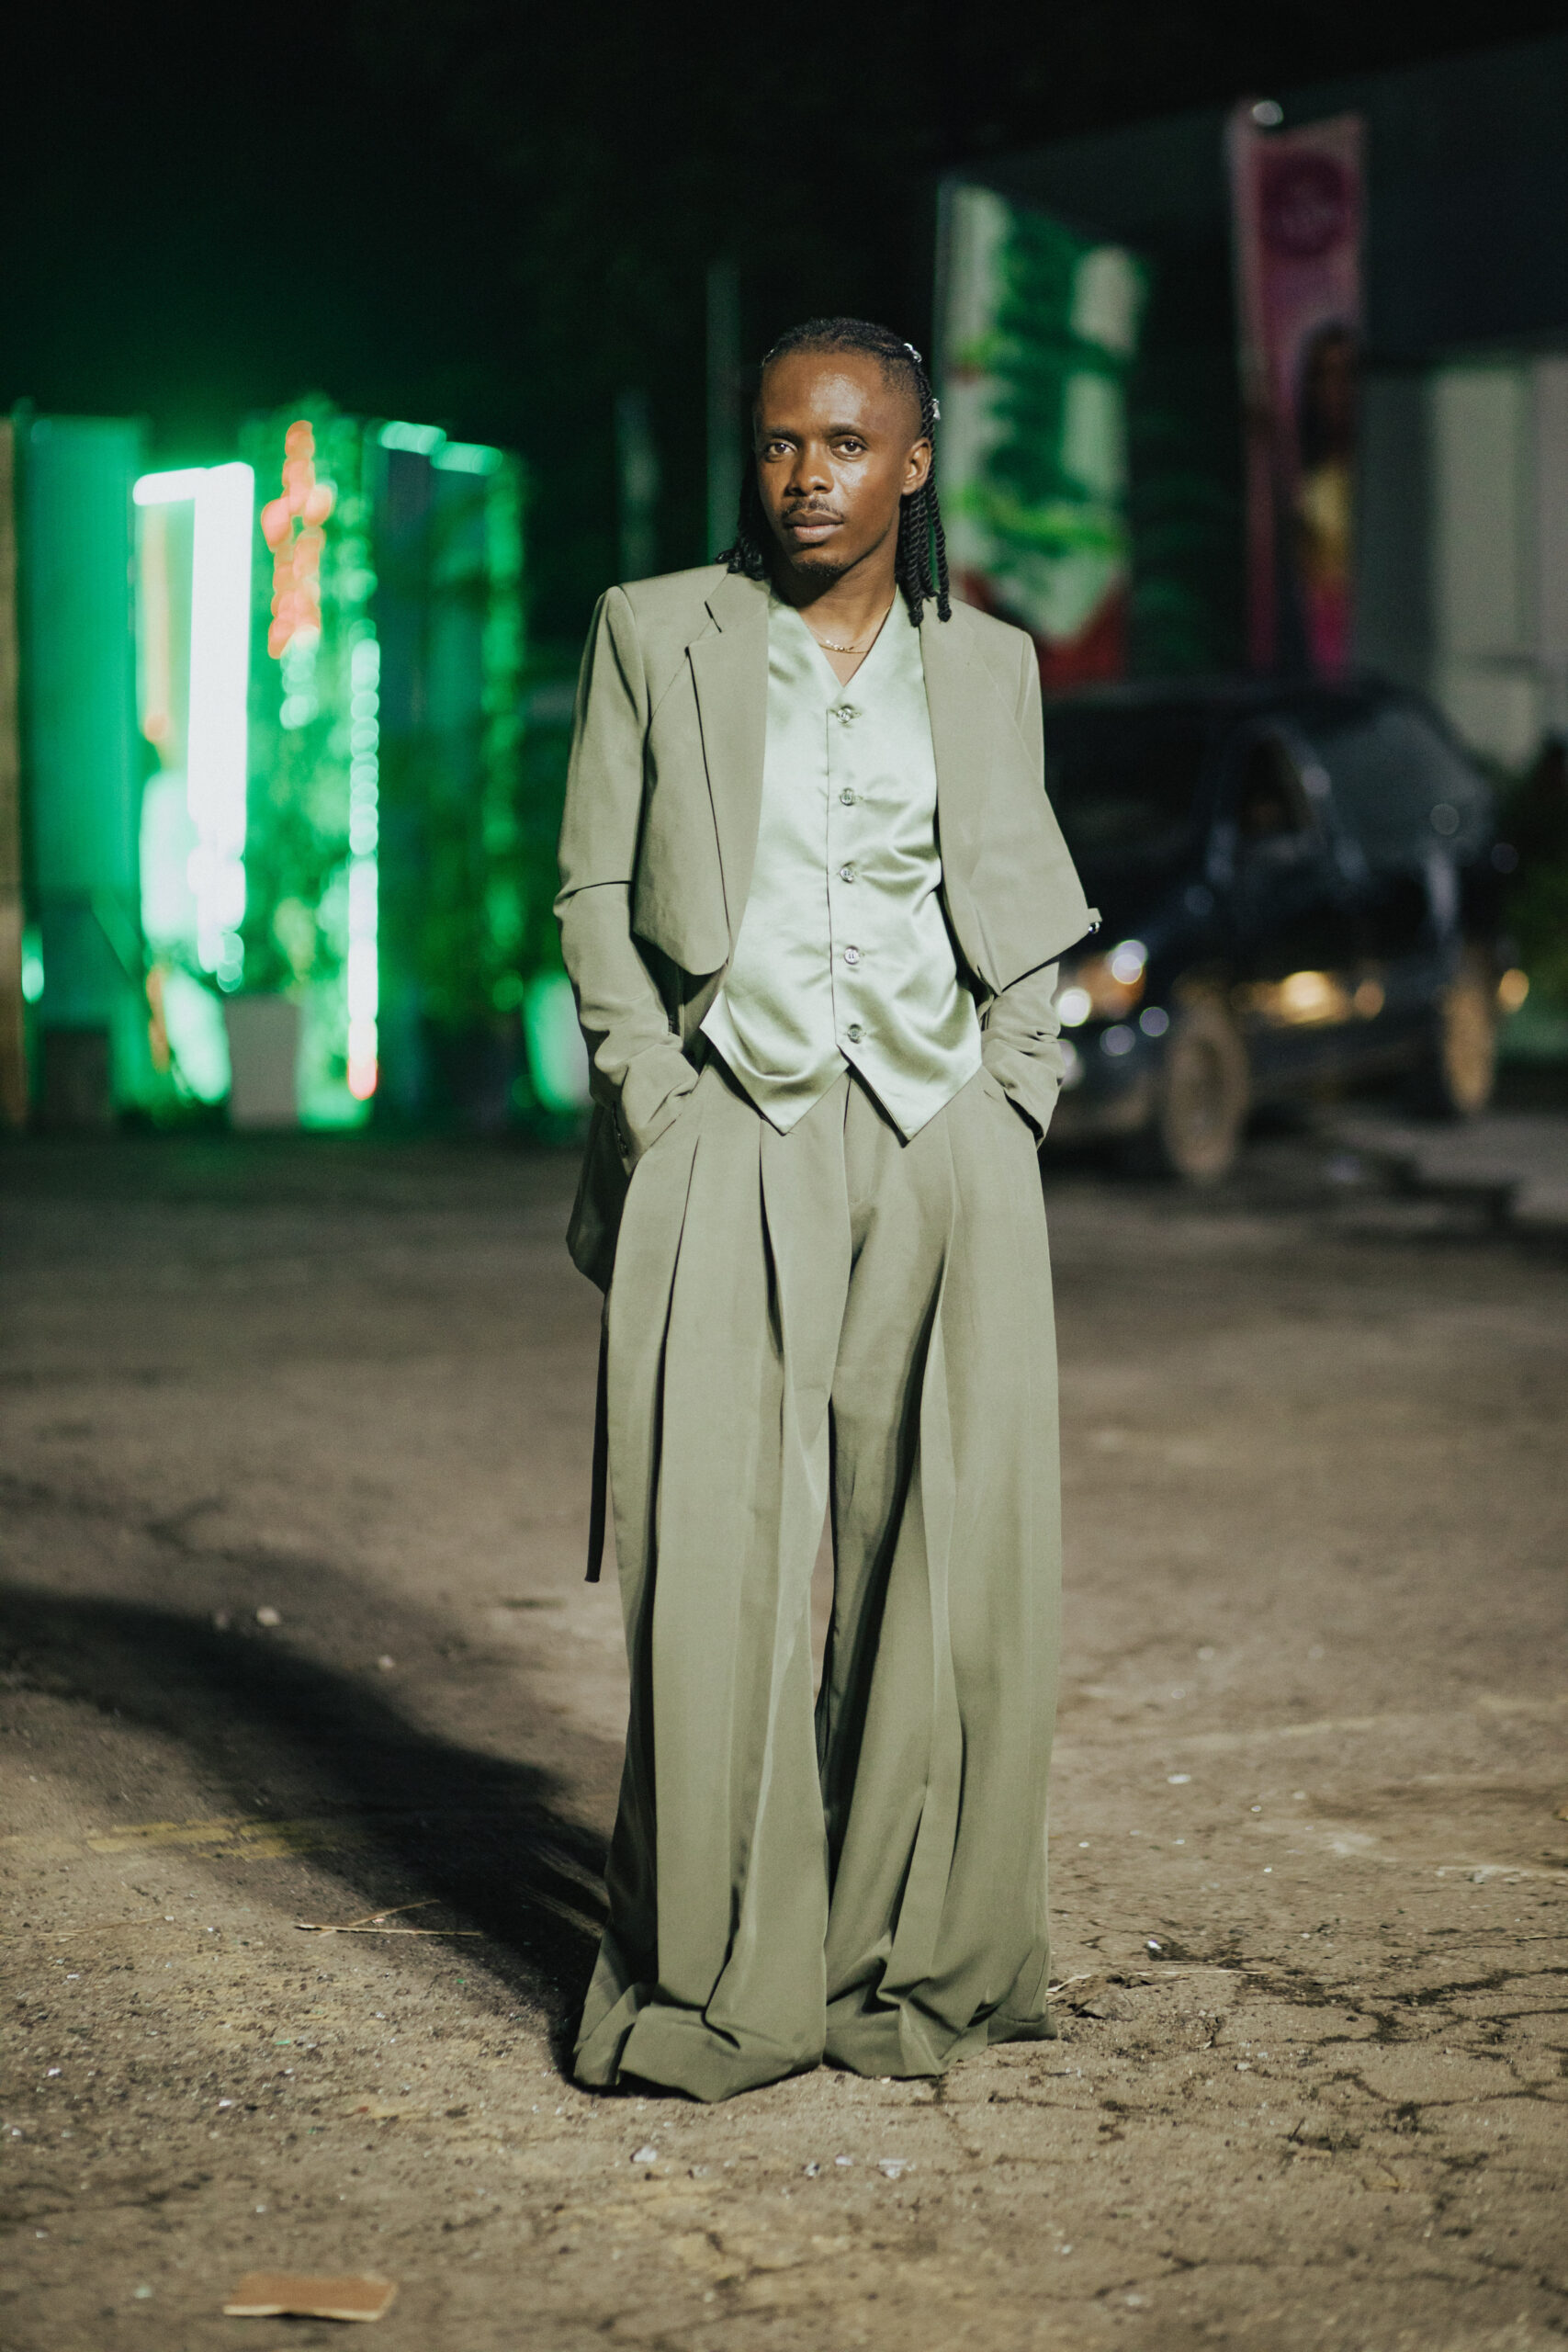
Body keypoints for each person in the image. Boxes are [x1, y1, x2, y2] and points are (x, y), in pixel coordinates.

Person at [555, 316, 1096, 2101]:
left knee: (942, 1558)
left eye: (848, 444)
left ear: (912, 464)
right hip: (735, 1117)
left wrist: (1014, 1087)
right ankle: (726, 1980)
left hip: (942, 1129)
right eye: (783, 441)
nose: (807, 475)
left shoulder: (989, 661)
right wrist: (655, 1097)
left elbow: (1022, 886)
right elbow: (594, 888)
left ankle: (903, 1962)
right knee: (711, 1558)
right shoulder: (657, 629)